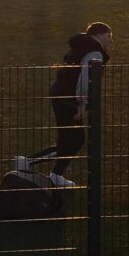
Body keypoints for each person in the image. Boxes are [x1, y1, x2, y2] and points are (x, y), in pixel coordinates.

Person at [25, 22, 113, 187]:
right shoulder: (95, 53)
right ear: (99, 35)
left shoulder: (81, 47)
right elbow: (85, 81)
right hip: (69, 99)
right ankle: (41, 168)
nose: (111, 41)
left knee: (69, 138)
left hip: (61, 94)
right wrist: (82, 105)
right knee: (75, 139)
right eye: (109, 36)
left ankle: (39, 167)